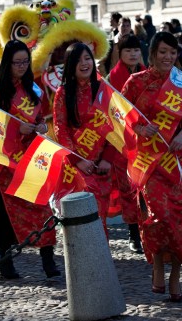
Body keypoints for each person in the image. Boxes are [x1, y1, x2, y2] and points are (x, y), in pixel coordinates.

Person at [122, 32, 182, 303]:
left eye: (172, 52)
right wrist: (141, 129)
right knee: (158, 216)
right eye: (163, 52)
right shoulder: (136, 82)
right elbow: (122, 116)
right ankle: (156, 265)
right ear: (152, 54)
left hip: (175, 160)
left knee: (179, 220)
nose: (168, 57)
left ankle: (175, 276)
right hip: (150, 161)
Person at [0, 40, 59, 280]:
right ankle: (6, 262)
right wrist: (16, 128)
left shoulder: (33, 88)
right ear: (7, 63)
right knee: (4, 214)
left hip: (31, 157)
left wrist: (40, 126)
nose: (22, 66)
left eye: (26, 61)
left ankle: (48, 259)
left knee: (41, 206)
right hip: (5, 160)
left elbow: (44, 119)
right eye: (17, 62)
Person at [53, 42, 117, 228]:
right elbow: (60, 130)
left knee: (100, 217)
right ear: (70, 65)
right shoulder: (63, 93)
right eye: (78, 60)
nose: (84, 63)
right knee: (82, 218)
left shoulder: (104, 90)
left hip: (100, 166)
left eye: (88, 58)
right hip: (75, 166)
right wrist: (77, 160)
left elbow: (116, 126)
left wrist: (107, 158)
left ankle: (99, 256)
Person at [107, 33, 144, 252]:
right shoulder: (112, 77)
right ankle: (133, 233)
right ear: (119, 53)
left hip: (147, 141)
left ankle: (148, 229)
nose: (133, 54)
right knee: (128, 189)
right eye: (128, 51)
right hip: (123, 141)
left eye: (136, 50)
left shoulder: (148, 73)